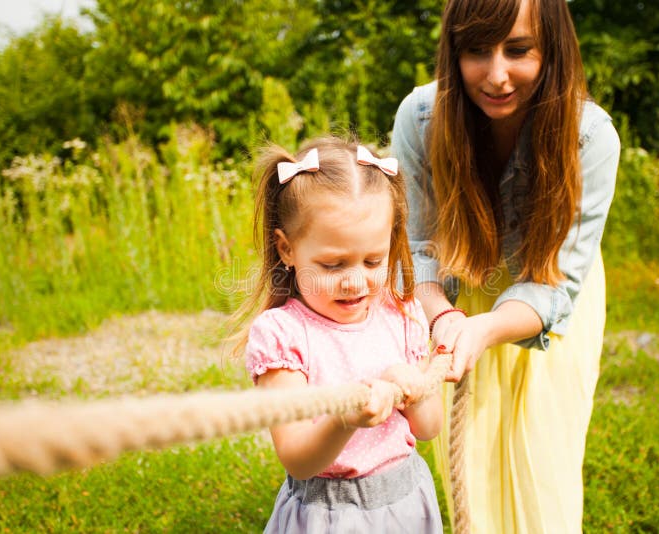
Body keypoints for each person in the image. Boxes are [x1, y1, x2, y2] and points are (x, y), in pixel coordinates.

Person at [390, 0, 621, 532]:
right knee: (471, 458)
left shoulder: (592, 136)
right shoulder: (420, 118)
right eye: (476, 51)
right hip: (454, 300)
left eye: (518, 50)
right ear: (454, 52)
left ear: (552, 49)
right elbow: (416, 249)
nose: (496, 76)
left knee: (544, 466)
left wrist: (489, 327)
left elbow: (557, 285)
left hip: (548, 297)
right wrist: (446, 319)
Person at [235, 137, 444, 533]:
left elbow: (429, 428)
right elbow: (297, 458)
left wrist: (411, 383)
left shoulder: (400, 314)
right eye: (332, 265)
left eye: (373, 261)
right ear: (286, 249)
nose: (354, 282)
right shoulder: (284, 335)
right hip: (328, 517)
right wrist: (343, 420)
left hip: (406, 504)